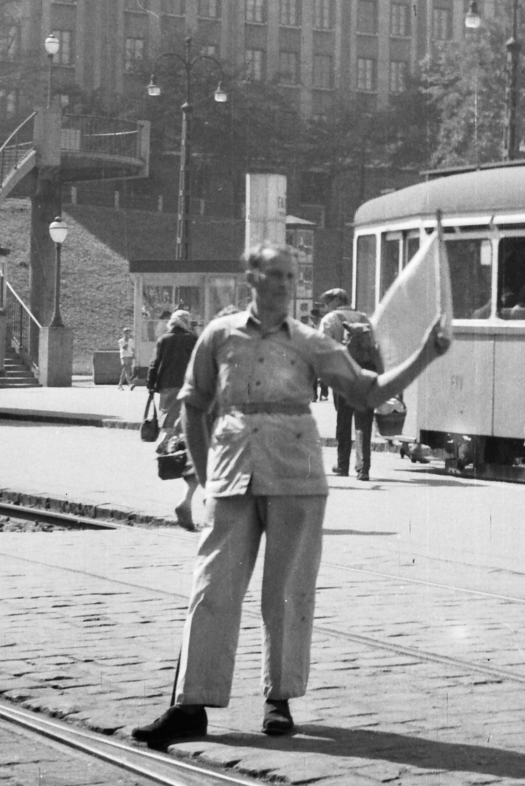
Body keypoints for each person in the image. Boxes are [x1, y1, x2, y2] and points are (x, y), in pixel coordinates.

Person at [132, 242, 450, 747]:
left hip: (297, 477)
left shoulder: (310, 341)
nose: (284, 285)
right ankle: (190, 705)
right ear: (251, 278)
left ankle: (277, 700)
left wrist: (424, 356)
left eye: (291, 276)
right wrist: (203, 475)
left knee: (286, 593)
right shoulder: (218, 334)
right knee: (211, 589)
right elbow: (194, 405)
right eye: (275, 275)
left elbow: (367, 390)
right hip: (232, 474)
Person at [148, 311, 200, 526]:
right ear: (186, 323)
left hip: (167, 385)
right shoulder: (192, 339)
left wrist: (151, 385)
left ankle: (167, 442)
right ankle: (171, 445)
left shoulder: (163, 339)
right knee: (183, 420)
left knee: (170, 416)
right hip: (187, 385)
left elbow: (154, 363)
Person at [318, 288, 375, 478]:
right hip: (365, 374)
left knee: (343, 421)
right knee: (363, 421)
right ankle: (363, 468)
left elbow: (323, 348)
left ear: (335, 301)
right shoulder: (364, 318)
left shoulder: (330, 320)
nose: (326, 307)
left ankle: (342, 466)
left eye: (327, 303)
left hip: (342, 375)